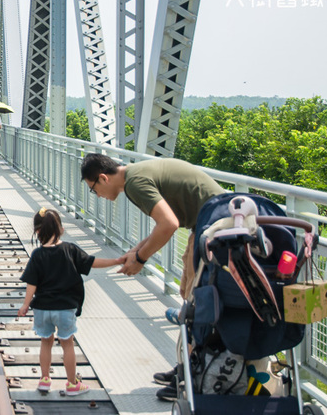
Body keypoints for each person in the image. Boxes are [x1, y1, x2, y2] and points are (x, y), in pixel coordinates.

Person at [79, 153, 225, 401]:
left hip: (216, 230)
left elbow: (167, 223)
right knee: (189, 298)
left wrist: (141, 259)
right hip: (212, 224)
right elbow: (172, 221)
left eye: (94, 190)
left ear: (103, 178)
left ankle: (192, 379)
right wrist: (136, 251)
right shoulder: (135, 175)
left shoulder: (135, 183)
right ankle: (187, 368)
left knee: (196, 306)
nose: (98, 196)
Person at [18, 208, 125, 396]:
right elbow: (92, 262)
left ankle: (44, 380)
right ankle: (72, 384)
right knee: (67, 344)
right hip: (65, 309)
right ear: (61, 229)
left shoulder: (37, 255)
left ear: (37, 231)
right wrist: (116, 261)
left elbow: (32, 283)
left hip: (43, 308)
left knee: (45, 342)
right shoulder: (71, 250)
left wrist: (26, 304)